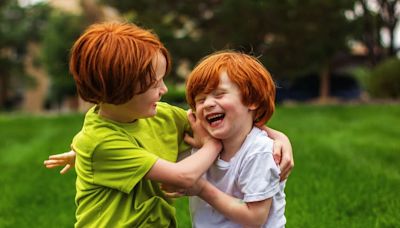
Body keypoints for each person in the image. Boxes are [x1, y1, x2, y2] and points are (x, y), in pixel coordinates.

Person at [44, 22, 293, 227]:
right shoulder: (100, 143)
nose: (163, 90)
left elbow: (225, 122)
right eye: (154, 84)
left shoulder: (160, 115)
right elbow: (184, 176)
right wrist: (211, 146)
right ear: (122, 90)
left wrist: (279, 138)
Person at [181, 50, 287, 227]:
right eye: (200, 100)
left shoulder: (258, 151)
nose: (207, 104)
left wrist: (201, 188)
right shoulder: (200, 144)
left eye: (219, 94)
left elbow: (255, 218)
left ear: (251, 100)